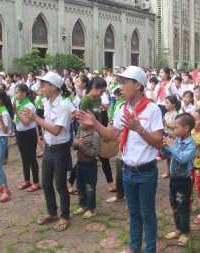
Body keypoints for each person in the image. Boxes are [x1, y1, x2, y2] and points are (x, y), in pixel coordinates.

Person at [77, 66, 164, 253]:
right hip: (127, 170)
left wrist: (139, 128)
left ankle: (149, 249)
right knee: (133, 213)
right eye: (120, 82)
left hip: (146, 171)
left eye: (125, 82)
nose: (120, 86)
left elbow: (158, 143)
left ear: (138, 85)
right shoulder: (122, 108)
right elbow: (111, 134)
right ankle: (134, 248)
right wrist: (95, 123)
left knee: (147, 214)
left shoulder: (152, 109)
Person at [24, 72, 73, 232]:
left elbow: (56, 130)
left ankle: (65, 216)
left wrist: (35, 119)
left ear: (54, 87)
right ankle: (52, 212)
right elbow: (47, 127)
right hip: (50, 148)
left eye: (44, 84)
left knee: (60, 184)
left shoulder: (64, 105)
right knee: (46, 183)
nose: (41, 87)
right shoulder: (46, 102)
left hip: (61, 149)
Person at [162, 113, 197, 246]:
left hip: (184, 181)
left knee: (183, 207)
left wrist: (171, 146)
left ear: (186, 128)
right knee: (174, 205)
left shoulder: (191, 145)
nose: (174, 130)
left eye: (176, 127)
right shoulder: (176, 141)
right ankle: (178, 229)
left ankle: (185, 232)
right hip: (174, 179)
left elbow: (182, 158)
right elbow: (167, 155)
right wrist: (164, 146)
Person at [71, 114, 101, 219]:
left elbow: (95, 153)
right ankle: (82, 205)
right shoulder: (80, 129)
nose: (79, 123)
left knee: (90, 187)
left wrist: (81, 146)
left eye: (82, 121)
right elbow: (74, 143)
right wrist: (75, 143)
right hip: (80, 162)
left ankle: (91, 208)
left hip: (90, 164)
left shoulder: (96, 134)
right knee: (80, 186)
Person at [14, 84, 41, 192]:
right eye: (15, 92)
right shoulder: (18, 103)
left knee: (31, 158)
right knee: (24, 158)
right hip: (20, 133)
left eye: (17, 92)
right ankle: (27, 180)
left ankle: (36, 182)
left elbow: (26, 123)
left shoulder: (29, 106)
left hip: (28, 133)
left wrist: (16, 112)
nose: (15, 95)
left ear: (24, 93)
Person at [161, 95, 180, 179]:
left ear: (173, 104)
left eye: (167, 103)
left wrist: (166, 124)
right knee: (166, 156)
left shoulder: (176, 114)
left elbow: (177, 126)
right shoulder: (166, 113)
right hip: (166, 136)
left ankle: (173, 172)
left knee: (173, 155)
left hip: (173, 137)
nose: (165, 104)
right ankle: (168, 171)